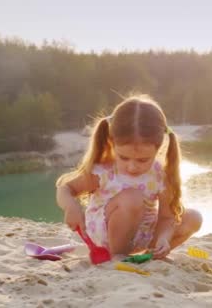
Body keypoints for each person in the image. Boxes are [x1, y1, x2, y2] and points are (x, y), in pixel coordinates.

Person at [56, 94, 202, 259]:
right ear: (112, 143)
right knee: (132, 198)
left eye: (143, 160)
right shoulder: (104, 171)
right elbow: (65, 189)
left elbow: (167, 217)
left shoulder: (160, 174)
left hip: (143, 235)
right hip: (106, 235)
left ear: (158, 148)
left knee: (193, 218)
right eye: (124, 158)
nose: (132, 167)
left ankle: (151, 255)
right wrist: (70, 207)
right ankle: (117, 255)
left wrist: (164, 238)